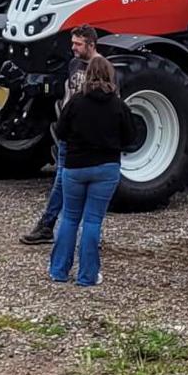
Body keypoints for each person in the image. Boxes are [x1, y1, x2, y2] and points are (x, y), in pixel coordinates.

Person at [48, 54, 134, 286]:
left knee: (69, 218)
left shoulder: (76, 102)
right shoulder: (118, 105)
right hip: (106, 167)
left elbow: (61, 130)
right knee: (93, 221)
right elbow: (131, 137)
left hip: (76, 166)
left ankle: (59, 271)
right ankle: (87, 276)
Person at [20, 25, 97, 244]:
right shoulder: (73, 64)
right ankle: (51, 225)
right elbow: (67, 95)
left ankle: (65, 228)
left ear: (91, 44)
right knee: (62, 180)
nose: (73, 48)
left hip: (84, 138)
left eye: (78, 44)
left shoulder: (101, 68)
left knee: (74, 184)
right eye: (72, 43)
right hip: (68, 134)